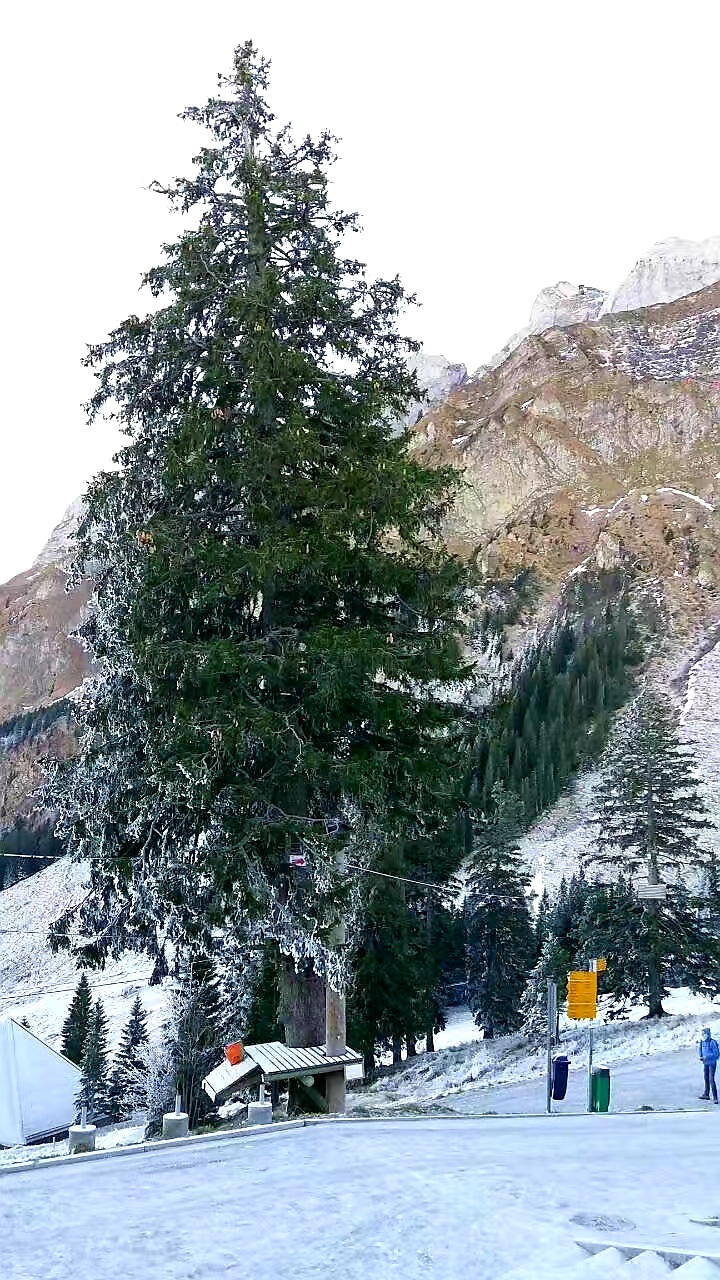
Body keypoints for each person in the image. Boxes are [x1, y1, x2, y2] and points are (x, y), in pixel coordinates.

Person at [698, 1027, 719, 1102]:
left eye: (704, 1033)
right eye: (702, 1033)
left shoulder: (712, 1042)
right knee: (706, 1078)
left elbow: (716, 1054)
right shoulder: (702, 1041)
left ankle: (715, 1097)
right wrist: (700, 1055)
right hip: (705, 1063)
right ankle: (706, 1094)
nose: (703, 1035)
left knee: (711, 1079)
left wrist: (707, 1057)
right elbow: (700, 1049)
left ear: (708, 1034)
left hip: (712, 1063)